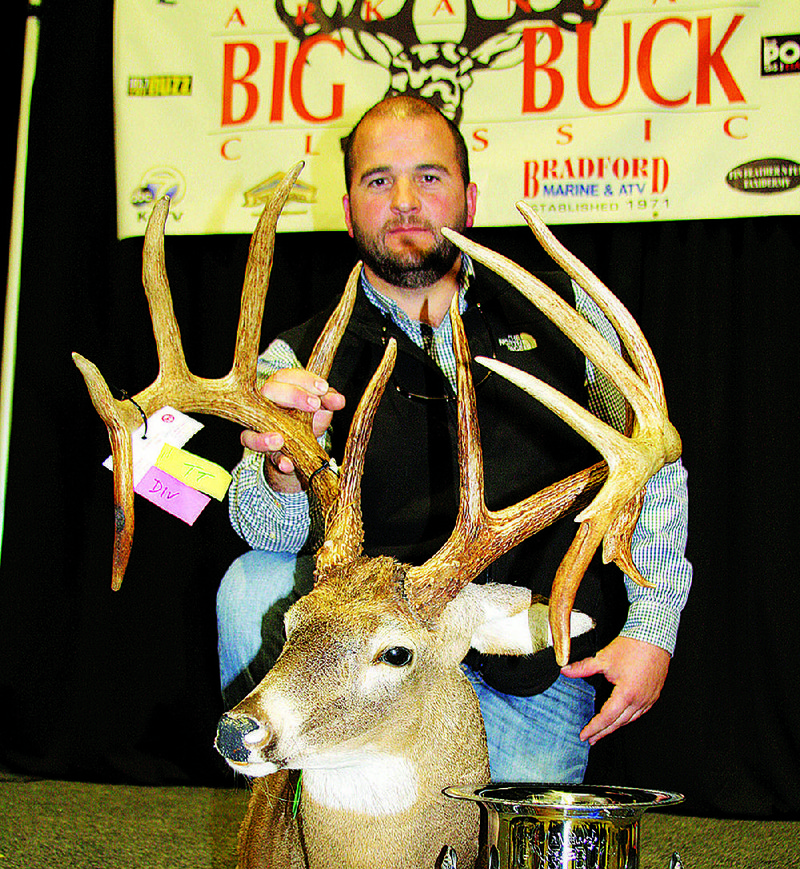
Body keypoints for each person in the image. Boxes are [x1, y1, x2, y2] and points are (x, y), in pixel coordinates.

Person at [216, 95, 692, 784]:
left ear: (468, 198)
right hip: (369, 660)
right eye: (379, 180)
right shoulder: (297, 358)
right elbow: (267, 533)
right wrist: (284, 470)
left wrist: (653, 624)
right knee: (248, 586)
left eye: (429, 177)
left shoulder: (565, 314)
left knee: (496, 867)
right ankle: (296, 818)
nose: (405, 200)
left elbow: (652, 464)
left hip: (520, 651)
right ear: (348, 207)